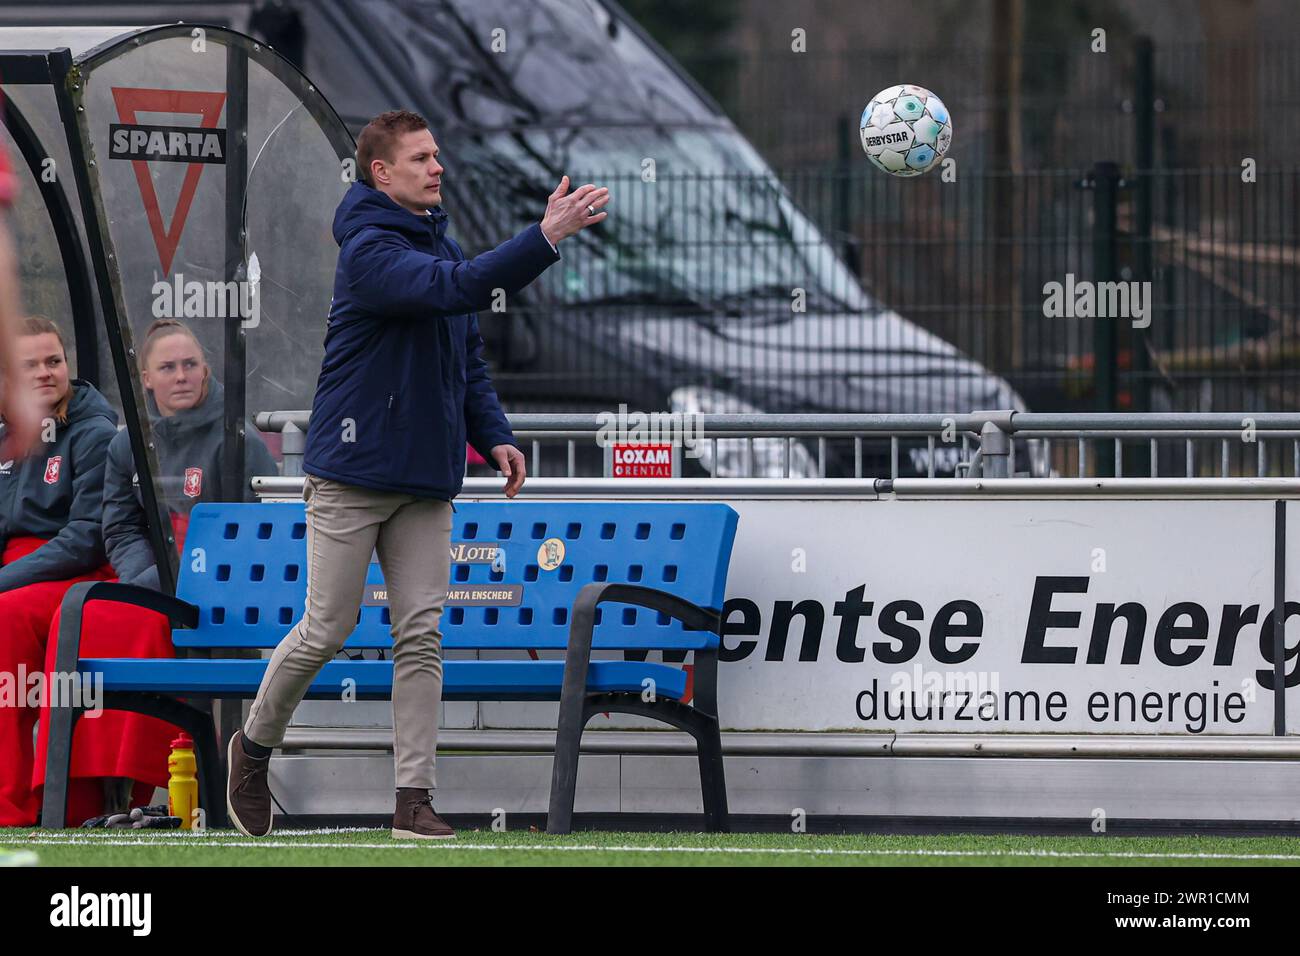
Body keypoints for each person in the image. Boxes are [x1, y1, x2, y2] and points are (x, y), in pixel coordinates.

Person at [227, 109, 609, 839]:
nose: (438, 167)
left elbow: (464, 357)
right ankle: (253, 746)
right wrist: (546, 236)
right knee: (326, 630)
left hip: (427, 481)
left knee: (422, 635)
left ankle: (412, 801)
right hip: (353, 474)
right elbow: (456, 288)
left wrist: (492, 435)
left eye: (438, 155)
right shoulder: (369, 249)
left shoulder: (440, 243)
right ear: (381, 173)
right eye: (421, 158)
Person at [0, 317, 123, 826]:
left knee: (5, 617)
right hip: (19, 572)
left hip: (76, 575)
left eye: (55, 361)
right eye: (32, 365)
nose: (47, 373)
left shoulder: (93, 433)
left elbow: (84, 540)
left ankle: (15, 805)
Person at [101, 318, 277, 589]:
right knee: (86, 607)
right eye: (168, 368)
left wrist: (155, 585)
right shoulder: (126, 445)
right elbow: (123, 529)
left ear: (204, 370)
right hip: (150, 576)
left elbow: (251, 535)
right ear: (146, 378)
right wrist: (140, 584)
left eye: (190, 364)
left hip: (219, 581)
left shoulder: (239, 440)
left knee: (108, 614)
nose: (181, 376)